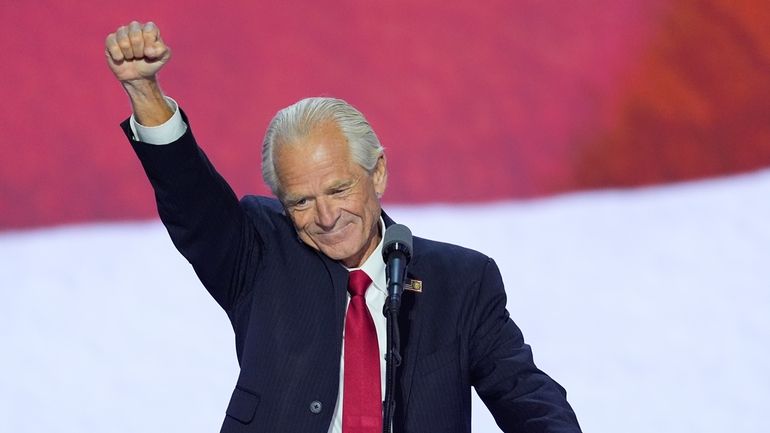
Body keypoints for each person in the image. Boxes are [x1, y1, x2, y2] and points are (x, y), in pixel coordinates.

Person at [105, 21, 582, 433]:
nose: (327, 218)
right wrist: (146, 92)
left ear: (377, 173)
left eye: (337, 190)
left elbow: (525, 395)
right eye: (301, 201)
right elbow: (193, 200)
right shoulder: (258, 256)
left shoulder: (460, 282)